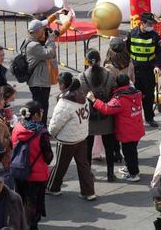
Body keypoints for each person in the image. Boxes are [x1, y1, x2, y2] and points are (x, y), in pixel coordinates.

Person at [46, 72, 97, 200]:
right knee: (83, 165)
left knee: (61, 165)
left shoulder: (65, 102)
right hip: (82, 136)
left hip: (67, 139)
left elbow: (55, 124)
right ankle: (88, 191)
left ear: (63, 84)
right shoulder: (83, 98)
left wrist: (51, 133)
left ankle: (53, 187)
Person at [88, 73, 145, 182]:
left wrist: (94, 100)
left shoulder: (120, 98)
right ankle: (131, 169)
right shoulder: (136, 93)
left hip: (127, 131)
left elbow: (106, 109)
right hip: (137, 128)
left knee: (129, 153)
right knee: (132, 151)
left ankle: (133, 174)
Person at [11, 101, 53, 229]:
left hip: (18, 171)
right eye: (40, 113)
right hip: (36, 175)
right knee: (33, 203)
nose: (41, 115)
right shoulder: (42, 133)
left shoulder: (17, 127)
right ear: (35, 116)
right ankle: (32, 226)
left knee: (21, 200)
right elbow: (49, 157)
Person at [79, 49, 117, 181]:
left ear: (87, 62)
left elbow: (81, 96)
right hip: (106, 114)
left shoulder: (82, 77)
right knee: (109, 147)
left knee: (88, 148)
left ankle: (88, 174)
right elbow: (114, 90)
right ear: (100, 60)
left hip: (90, 116)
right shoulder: (108, 75)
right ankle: (110, 173)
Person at [126, 12, 161, 127]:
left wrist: (157, 65)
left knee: (148, 97)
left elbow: (160, 52)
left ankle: (149, 118)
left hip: (148, 71)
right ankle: (135, 118)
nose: (152, 26)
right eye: (150, 24)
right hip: (135, 71)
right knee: (133, 96)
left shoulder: (155, 36)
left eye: (153, 24)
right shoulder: (132, 34)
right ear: (142, 23)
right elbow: (127, 49)